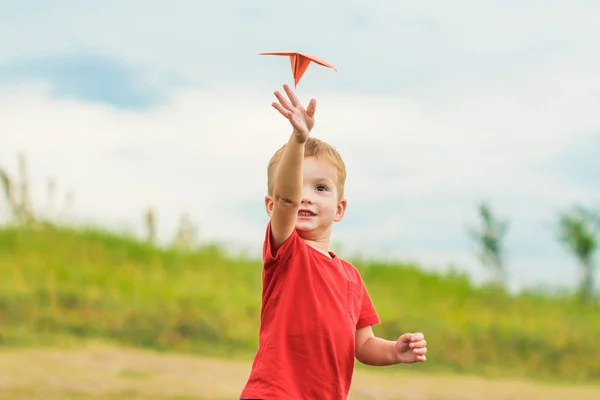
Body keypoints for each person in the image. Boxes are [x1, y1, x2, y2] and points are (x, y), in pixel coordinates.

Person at [239, 84, 428, 400]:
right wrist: (297, 141)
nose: (305, 197)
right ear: (272, 206)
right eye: (297, 187)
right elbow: (288, 200)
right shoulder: (287, 252)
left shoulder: (351, 278)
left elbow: (363, 345)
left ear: (340, 209)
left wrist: (395, 351)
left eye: (320, 188)